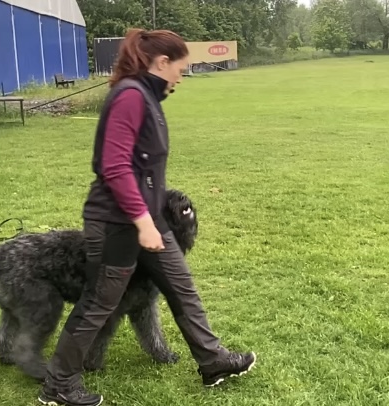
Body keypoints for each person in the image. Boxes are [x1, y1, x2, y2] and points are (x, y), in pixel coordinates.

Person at [37, 28, 256, 406]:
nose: (181, 78)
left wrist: (149, 219)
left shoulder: (149, 98)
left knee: (181, 287)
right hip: (117, 224)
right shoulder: (130, 96)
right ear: (162, 62)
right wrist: (141, 221)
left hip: (149, 220)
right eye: (180, 69)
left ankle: (213, 360)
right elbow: (114, 166)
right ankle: (58, 385)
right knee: (98, 303)